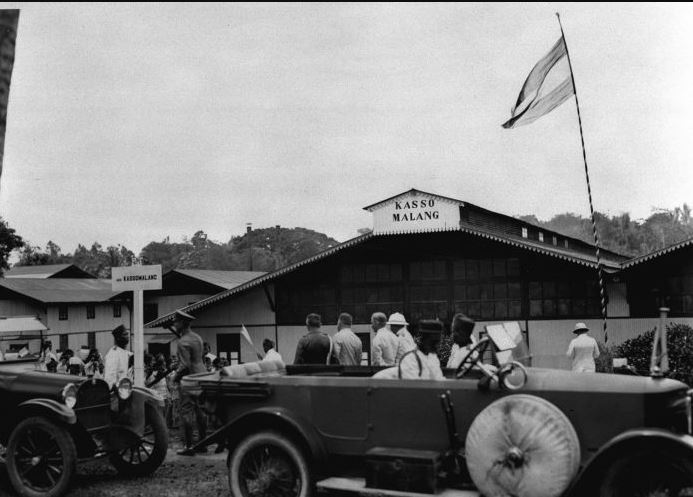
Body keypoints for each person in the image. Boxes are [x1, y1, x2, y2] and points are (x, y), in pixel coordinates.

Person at [170, 310, 208, 456]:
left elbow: (185, 365)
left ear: (182, 323)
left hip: (189, 379)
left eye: (176, 322)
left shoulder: (182, 342)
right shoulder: (197, 337)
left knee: (186, 412)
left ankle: (188, 446)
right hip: (202, 374)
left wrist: (175, 377)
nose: (174, 324)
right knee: (201, 411)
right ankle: (202, 443)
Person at [374, 320, 445, 380]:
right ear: (424, 340)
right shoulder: (410, 359)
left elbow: (438, 380)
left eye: (438, 342)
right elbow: (413, 389)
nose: (437, 345)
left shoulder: (433, 358)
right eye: (434, 342)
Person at [104, 325, 134, 389]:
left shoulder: (127, 353)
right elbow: (110, 379)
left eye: (127, 334)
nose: (127, 336)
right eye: (125, 334)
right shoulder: (113, 354)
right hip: (119, 393)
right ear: (118, 338)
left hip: (128, 390)